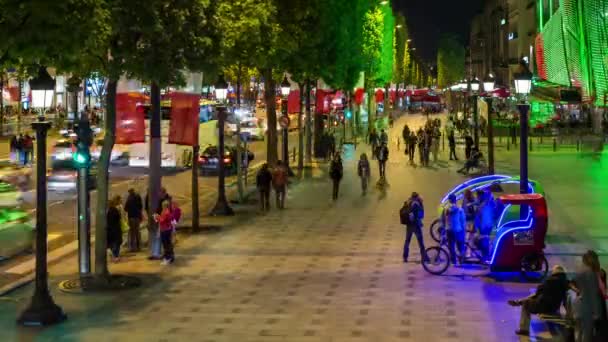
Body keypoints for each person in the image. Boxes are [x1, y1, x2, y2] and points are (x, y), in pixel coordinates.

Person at [508, 265, 570, 336]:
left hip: (544, 307)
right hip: (554, 308)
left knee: (526, 303)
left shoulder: (549, 281)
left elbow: (538, 293)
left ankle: (524, 329)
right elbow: (564, 300)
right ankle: (518, 302)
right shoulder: (565, 283)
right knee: (532, 298)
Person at [569, 250, 607, 342]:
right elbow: (603, 290)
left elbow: (571, 284)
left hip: (587, 304)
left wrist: (579, 292)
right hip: (593, 304)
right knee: (589, 332)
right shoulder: (599, 273)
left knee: (581, 331)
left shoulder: (588, 274)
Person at [401, 192, 428, 263]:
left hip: (409, 225)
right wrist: (421, 204)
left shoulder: (408, 202)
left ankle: (405, 257)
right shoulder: (416, 204)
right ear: (416, 197)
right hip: (416, 225)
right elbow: (421, 215)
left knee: (407, 241)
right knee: (421, 242)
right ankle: (424, 257)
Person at [145, 187, 170, 260]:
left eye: (160, 193)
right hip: (161, 222)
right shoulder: (163, 200)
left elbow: (163, 215)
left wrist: (156, 217)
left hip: (162, 224)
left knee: (160, 238)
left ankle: (158, 254)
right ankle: (157, 253)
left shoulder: (164, 201)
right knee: (159, 238)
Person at [442, 194, 466, 265]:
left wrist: (443, 228)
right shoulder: (460, 209)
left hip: (449, 230)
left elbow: (443, 220)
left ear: (449, 200)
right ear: (455, 200)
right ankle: (461, 260)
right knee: (460, 246)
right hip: (458, 230)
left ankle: (454, 261)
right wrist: (463, 229)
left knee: (451, 246)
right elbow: (463, 220)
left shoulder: (446, 209)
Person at [155, 201, 175, 265]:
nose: (161, 206)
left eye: (162, 205)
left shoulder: (166, 212)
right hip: (166, 229)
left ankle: (167, 258)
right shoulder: (166, 211)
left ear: (164, 205)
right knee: (168, 244)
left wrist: (157, 217)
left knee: (166, 245)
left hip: (165, 230)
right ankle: (170, 257)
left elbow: (162, 221)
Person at [107, 195, 123, 263]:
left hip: (110, 230)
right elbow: (119, 218)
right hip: (116, 229)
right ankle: (116, 256)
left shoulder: (108, 211)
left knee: (112, 242)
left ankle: (113, 254)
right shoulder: (115, 210)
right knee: (117, 243)